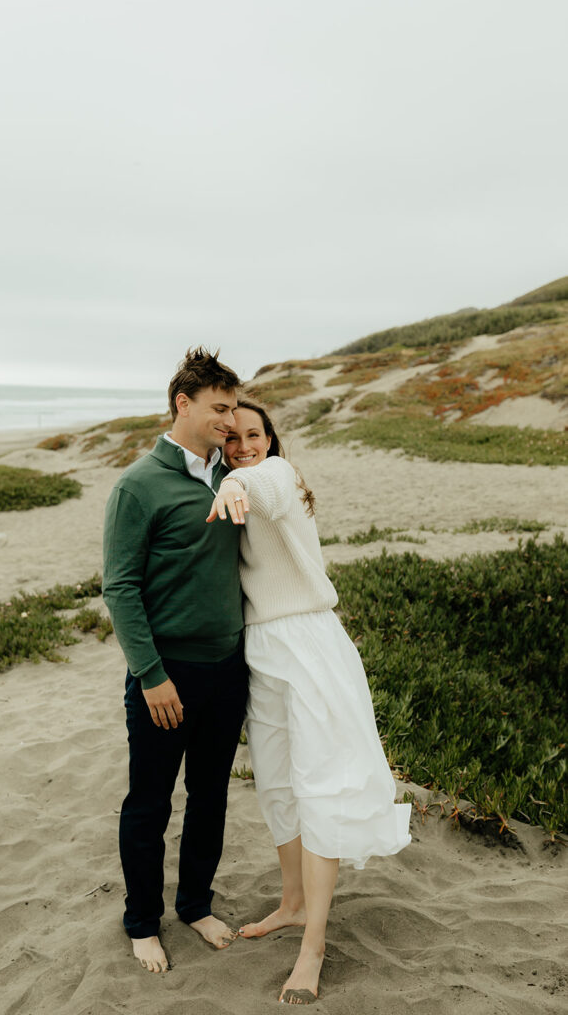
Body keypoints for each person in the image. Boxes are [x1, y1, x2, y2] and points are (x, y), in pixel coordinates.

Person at [207, 399, 411, 1005]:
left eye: (253, 435)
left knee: (320, 787)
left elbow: (264, 484)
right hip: (261, 649)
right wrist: (227, 481)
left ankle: (313, 946)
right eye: (232, 439)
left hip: (309, 646)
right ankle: (292, 903)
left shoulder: (276, 476)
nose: (243, 445)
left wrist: (238, 478)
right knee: (275, 784)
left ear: (270, 439)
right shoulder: (227, 482)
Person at [103, 348, 250, 974]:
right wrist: (151, 675)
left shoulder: (232, 476)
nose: (228, 421)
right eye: (219, 409)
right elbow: (120, 587)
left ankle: (194, 905)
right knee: (150, 803)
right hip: (167, 676)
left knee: (210, 796)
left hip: (227, 670)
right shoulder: (138, 485)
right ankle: (142, 922)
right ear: (181, 404)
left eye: (234, 409)